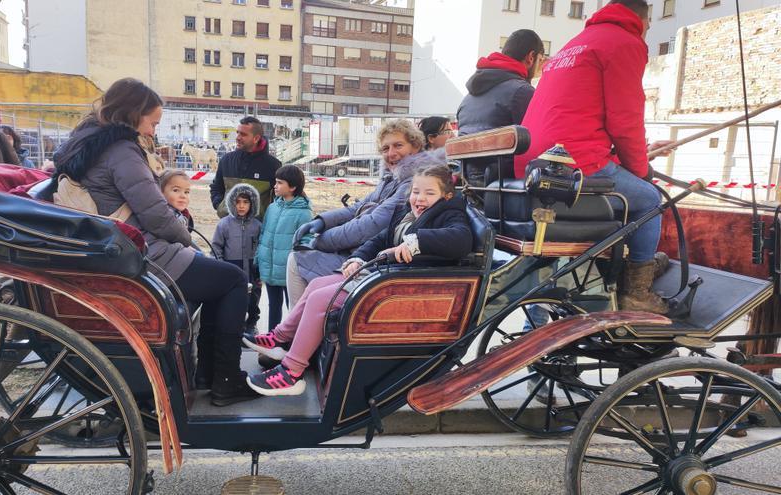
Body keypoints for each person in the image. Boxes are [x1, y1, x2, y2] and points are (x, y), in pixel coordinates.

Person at [52, 78, 258, 406]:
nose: (152, 131)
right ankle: (225, 379)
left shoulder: (92, 143)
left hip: (128, 246)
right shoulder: (121, 151)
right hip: (142, 253)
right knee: (234, 280)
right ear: (133, 114)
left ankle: (211, 374)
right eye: (153, 123)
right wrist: (187, 239)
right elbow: (157, 215)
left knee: (220, 278)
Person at [244, 164, 473, 396]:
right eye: (416, 191)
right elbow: (379, 239)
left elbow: (460, 239)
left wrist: (416, 242)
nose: (419, 198)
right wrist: (358, 258)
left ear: (446, 196)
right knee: (316, 285)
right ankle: (281, 338)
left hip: (402, 286)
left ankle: (292, 371)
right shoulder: (408, 213)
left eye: (429, 193)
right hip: (384, 276)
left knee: (321, 300)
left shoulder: (450, 214)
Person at [514, 0, 671, 314]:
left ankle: (620, 270)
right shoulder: (625, 43)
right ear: (644, 19)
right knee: (649, 200)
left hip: (534, 162)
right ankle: (637, 292)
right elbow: (625, 121)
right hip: (571, 162)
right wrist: (641, 171)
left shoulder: (575, 44)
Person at [287, 119, 442, 305]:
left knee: (297, 260)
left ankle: (298, 321)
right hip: (368, 253)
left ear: (415, 146)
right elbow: (357, 207)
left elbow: (373, 224)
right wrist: (322, 221)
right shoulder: (392, 179)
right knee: (300, 260)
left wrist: (320, 241)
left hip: (380, 260)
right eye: (385, 148)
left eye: (398, 145)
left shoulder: (414, 183)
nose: (391, 153)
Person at [457, 29, 544, 186]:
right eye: (540, 60)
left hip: (470, 183)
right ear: (531, 57)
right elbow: (536, 143)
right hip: (503, 186)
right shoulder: (522, 92)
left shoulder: (467, 99)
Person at [256, 165, 313, 331]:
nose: (275, 186)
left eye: (280, 183)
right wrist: (259, 258)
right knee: (273, 305)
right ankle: (272, 338)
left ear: (293, 187)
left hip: (290, 271)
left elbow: (306, 243)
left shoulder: (303, 213)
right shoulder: (272, 208)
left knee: (293, 308)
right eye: (276, 182)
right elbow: (263, 234)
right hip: (270, 268)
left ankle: (292, 339)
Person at [211, 183, 262, 333]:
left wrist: (260, 270)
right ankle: (234, 325)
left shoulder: (257, 226)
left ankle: (251, 324)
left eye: (245, 202)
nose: (241, 206)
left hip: (252, 269)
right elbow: (216, 248)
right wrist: (221, 266)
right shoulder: (224, 224)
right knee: (232, 298)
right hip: (232, 268)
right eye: (238, 202)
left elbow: (262, 248)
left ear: (252, 204)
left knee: (253, 298)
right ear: (232, 203)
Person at [209, 116, 281, 220]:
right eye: (237, 133)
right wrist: (220, 205)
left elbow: (280, 197)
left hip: (259, 227)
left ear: (256, 138)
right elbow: (216, 187)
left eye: (243, 134)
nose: (238, 137)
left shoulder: (273, 165)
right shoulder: (226, 160)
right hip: (229, 224)